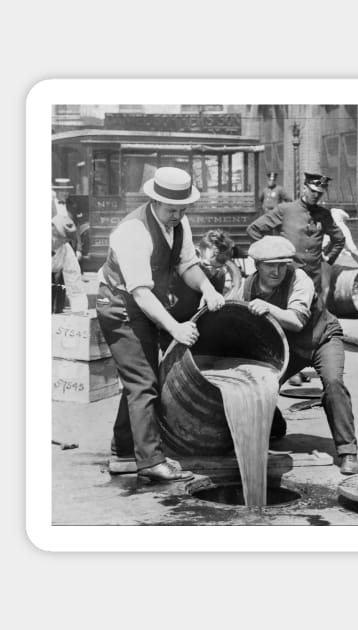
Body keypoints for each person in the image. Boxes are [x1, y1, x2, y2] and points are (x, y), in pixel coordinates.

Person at [96, 167, 225, 482]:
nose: (177, 216)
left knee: (143, 378)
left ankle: (124, 453)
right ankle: (150, 461)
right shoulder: (133, 231)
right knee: (143, 381)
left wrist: (208, 288)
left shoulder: (179, 223)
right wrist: (175, 328)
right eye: (172, 210)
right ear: (154, 200)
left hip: (143, 302)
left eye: (183, 209)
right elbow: (140, 293)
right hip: (119, 305)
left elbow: (187, 264)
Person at [234, 235, 358, 475]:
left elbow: (296, 320)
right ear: (257, 265)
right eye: (270, 265)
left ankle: (347, 450)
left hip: (322, 338)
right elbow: (233, 312)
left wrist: (268, 307)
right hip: (289, 346)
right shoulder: (247, 286)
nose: (277, 271)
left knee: (333, 384)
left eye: (282, 264)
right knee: (259, 384)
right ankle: (275, 426)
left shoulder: (299, 278)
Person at [247, 171, 346, 295]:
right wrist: (270, 255)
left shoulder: (324, 215)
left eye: (319, 193)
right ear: (304, 188)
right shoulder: (286, 210)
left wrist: (329, 258)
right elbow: (254, 229)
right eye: (312, 191)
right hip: (288, 276)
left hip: (313, 277)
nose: (316, 195)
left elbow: (340, 239)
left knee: (314, 310)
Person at [51, 214, 88, 313]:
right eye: (55, 236)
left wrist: (80, 312)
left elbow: (74, 282)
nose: (56, 243)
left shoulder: (65, 249)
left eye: (62, 240)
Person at [52, 178, 90, 266]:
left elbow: (76, 228)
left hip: (70, 247)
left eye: (67, 191)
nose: (65, 194)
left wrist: (79, 249)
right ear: (56, 191)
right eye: (62, 191)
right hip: (54, 247)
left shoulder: (72, 206)